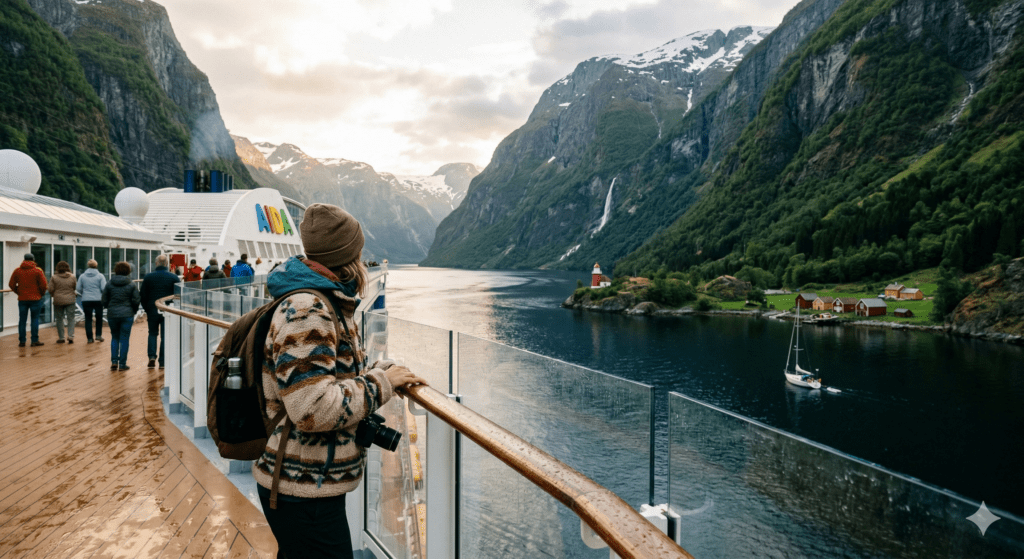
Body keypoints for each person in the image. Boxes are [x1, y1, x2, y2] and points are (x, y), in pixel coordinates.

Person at [255, 204, 426, 559]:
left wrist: (378, 370)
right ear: (350, 255)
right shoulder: (307, 310)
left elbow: (325, 377)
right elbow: (311, 407)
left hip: (305, 484)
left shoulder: (322, 300)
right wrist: (381, 383)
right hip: (301, 488)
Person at [140, 254, 178, 369]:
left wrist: (147, 308)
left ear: (156, 263)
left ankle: (152, 356)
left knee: (152, 333)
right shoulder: (173, 277)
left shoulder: (148, 277)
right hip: (167, 310)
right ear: (167, 264)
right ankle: (163, 361)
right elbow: (178, 295)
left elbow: (143, 295)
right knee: (165, 336)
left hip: (152, 309)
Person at [102, 261, 141, 371]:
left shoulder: (109, 283)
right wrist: (134, 310)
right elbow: (136, 300)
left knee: (114, 337)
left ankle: (114, 361)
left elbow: (104, 299)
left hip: (112, 314)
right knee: (124, 339)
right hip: (127, 314)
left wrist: (108, 307)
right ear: (128, 271)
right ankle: (122, 364)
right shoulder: (131, 284)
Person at [8, 253, 47, 347]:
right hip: (35, 299)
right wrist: (40, 294)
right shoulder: (38, 271)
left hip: (22, 299)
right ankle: (34, 340)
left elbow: (11, 284)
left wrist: (18, 292)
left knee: (22, 320)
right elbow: (44, 285)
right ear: (33, 260)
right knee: (35, 319)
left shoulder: (17, 270)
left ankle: (22, 341)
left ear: (24, 260)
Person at [77, 259, 106, 343]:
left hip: (86, 299)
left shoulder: (82, 276)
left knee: (88, 318)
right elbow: (103, 288)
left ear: (88, 266)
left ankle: (89, 338)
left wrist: (84, 293)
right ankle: (98, 335)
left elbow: (78, 288)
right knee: (99, 318)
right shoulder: (100, 276)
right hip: (98, 299)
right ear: (96, 266)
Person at [49, 261, 77, 344]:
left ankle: (61, 337)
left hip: (58, 300)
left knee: (59, 318)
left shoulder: (54, 277)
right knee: (71, 318)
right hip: (70, 299)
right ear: (67, 268)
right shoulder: (72, 277)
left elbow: (50, 289)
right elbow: (75, 287)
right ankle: (71, 336)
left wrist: (53, 295)